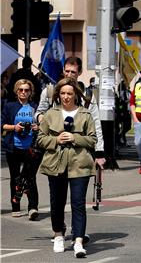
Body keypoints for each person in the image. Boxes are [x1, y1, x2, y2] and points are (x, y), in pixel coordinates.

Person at [37, 78, 96, 257]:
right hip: (55, 164)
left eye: (69, 93)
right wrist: (56, 140)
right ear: (58, 95)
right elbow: (40, 139)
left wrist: (74, 138)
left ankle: (78, 241)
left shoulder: (85, 114)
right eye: (62, 93)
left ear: (76, 95)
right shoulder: (50, 114)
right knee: (57, 202)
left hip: (80, 165)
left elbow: (93, 139)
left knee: (78, 203)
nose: (66, 97)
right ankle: (59, 235)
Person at [36, 57, 105, 169]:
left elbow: (96, 124)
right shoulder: (50, 91)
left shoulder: (88, 95)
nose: (69, 74)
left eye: (73, 72)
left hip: (80, 151)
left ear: (80, 72)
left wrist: (99, 152)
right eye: (67, 71)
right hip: (56, 150)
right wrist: (41, 118)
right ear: (63, 70)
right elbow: (39, 112)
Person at [2, 79, 40, 219]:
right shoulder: (10, 106)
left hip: (30, 147)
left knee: (31, 177)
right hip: (13, 146)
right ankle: (15, 207)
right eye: (21, 90)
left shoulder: (34, 107)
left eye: (26, 90)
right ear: (16, 91)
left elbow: (43, 124)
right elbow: (2, 125)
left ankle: (33, 207)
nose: (23, 92)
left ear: (31, 92)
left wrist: (38, 127)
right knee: (15, 177)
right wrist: (14, 127)